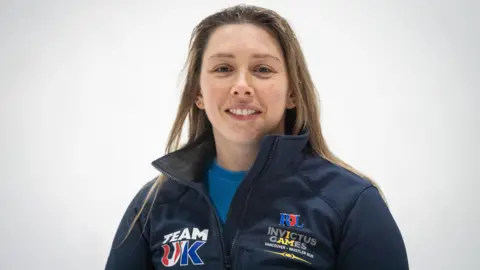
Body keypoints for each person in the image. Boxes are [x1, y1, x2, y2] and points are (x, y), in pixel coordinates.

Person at [105, 4, 409, 270]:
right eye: (223, 68)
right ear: (198, 92)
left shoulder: (351, 203)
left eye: (262, 69)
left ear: (292, 92)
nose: (241, 86)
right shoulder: (151, 206)